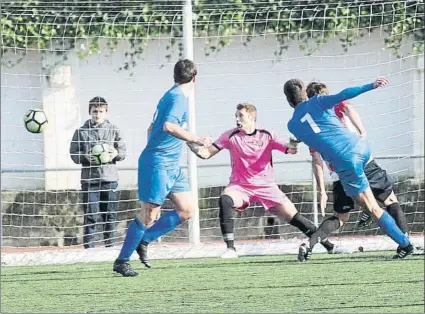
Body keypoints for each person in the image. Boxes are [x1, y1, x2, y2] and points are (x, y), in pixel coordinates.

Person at [283, 77, 414, 261]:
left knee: (372, 208)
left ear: (288, 101)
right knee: (384, 199)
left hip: (345, 162)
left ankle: (405, 245)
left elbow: (302, 145)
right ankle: (387, 224)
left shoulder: (292, 125)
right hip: (361, 148)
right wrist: (372, 85)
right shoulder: (318, 101)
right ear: (305, 93)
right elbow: (344, 95)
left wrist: (292, 145)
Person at [186, 103, 338, 258]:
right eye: (236, 116)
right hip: (240, 186)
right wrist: (190, 142)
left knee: (294, 216)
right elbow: (205, 154)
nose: (237, 119)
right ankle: (231, 249)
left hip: (266, 187)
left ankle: (330, 246)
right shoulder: (230, 136)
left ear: (251, 117)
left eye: (241, 116)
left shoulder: (267, 135)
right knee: (225, 199)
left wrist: (294, 142)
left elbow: (291, 149)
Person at [113, 59, 211, 277]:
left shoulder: (170, 95)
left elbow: (152, 129)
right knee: (149, 216)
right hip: (158, 164)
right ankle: (122, 260)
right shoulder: (177, 98)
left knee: (187, 209)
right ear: (195, 78)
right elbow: (168, 126)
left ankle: (144, 240)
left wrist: (183, 145)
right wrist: (196, 138)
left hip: (170, 165)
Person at [70, 96, 126, 249]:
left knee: (110, 215)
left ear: (106, 112)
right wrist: (84, 157)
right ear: (90, 112)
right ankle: (89, 248)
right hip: (90, 181)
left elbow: (123, 152)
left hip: (110, 179)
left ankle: (110, 247)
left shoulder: (114, 130)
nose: (97, 114)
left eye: (101, 111)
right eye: (95, 111)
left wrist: (115, 153)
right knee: (91, 215)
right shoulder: (81, 132)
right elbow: (73, 154)